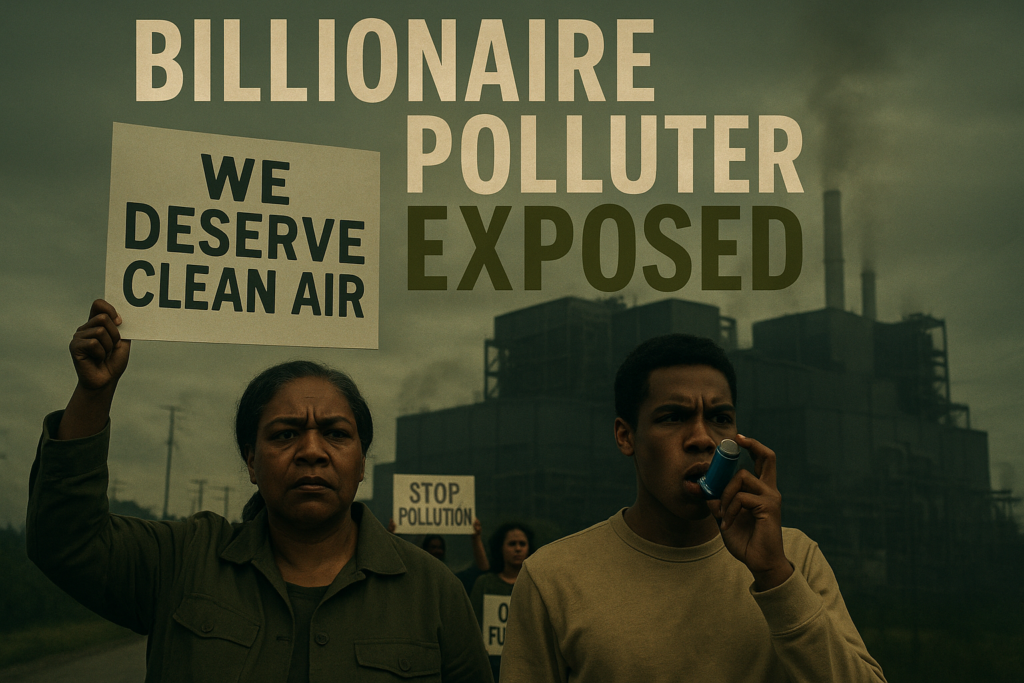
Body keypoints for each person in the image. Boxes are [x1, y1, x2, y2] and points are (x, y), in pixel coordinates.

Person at [26, 299, 492, 683]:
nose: (312, 451)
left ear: (361, 463)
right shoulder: (185, 561)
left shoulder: (434, 591)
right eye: (285, 434)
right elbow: (66, 541)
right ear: (251, 461)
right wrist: (93, 393)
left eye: (335, 433)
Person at [500, 334, 886, 683]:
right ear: (626, 435)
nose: (702, 438)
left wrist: (775, 576)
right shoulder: (552, 578)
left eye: (720, 418)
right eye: (673, 418)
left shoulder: (793, 557)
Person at [469, 522, 534, 682]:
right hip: (489, 668)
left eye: (522, 544)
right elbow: (473, 624)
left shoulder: (536, 585)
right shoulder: (484, 583)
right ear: (501, 548)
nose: (518, 549)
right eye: (512, 544)